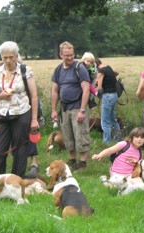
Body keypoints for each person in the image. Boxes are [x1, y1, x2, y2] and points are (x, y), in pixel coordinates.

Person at [0, 41, 40, 176]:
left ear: (16, 56)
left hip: (22, 113)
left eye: (11, 57)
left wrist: (34, 119)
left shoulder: (25, 71)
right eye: (5, 58)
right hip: (3, 115)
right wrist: (1, 96)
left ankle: (17, 179)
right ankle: (0, 179)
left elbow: (34, 96)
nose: (8, 60)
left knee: (20, 149)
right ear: (1, 58)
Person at [51, 41, 92, 170]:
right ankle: (72, 160)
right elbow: (55, 91)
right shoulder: (58, 70)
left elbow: (86, 89)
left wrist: (82, 110)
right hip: (64, 108)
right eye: (66, 55)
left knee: (81, 135)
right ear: (61, 55)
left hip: (78, 106)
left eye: (72, 55)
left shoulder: (79, 68)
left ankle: (83, 163)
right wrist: (53, 110)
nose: (69, 58)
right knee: (68, 136)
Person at [91, 127, 144, 195]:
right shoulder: (124, 144)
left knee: (140, 183)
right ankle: (104, 180)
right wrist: (100, 155)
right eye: (137, 137)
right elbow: (110, 150)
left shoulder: (140, 154)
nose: (139, 139)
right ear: (132, 137)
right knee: (115, 187)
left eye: (142, 138)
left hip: (129, 175)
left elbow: (137, 167)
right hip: (117, 174)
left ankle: (130, 187)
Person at [94, 57, 122, 145]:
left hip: (107, 96)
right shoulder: (108, 67)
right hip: (114, 95)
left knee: (105, 121)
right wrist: (110, 80)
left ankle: (106, 142)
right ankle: (119, 140)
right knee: (113, 119)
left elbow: (99, 87)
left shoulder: (100, 72)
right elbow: (116, 72)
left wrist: (97, 88)